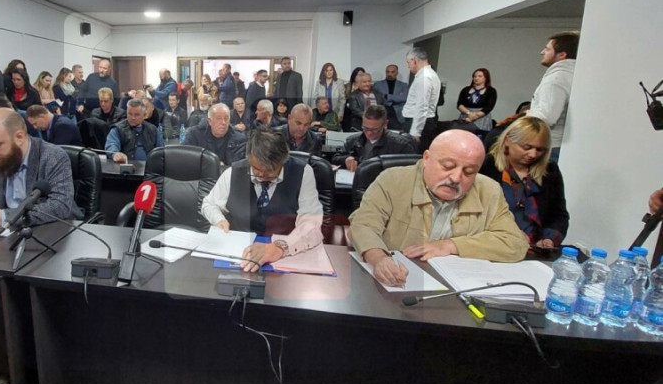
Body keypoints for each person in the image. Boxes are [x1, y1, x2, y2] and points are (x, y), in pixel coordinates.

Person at [350, 130, 529, 287]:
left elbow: (515, 243)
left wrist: (450, 246)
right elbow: (363, 225)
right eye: (448, 166)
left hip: (457, 290)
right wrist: (379, 258)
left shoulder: (489, 191)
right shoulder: (393, 180)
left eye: (469, 172)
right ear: (426, 158)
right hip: (398, 285)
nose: (456, 178)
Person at [201, 128, 323, 271]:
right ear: (249, 158)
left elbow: (311, 224)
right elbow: (209, 204)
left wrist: (280, 247)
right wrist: (219, 220)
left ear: (283, 161)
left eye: (270, 170)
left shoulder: (302, 173)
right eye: (256, 169)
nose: (262, 175)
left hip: (285, 255)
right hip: (240, 254)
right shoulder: (233, 172)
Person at [0, 108, 79, 228]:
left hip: (48, 229)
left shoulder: (53, 156)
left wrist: (3, 217)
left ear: (19, 137)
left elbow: (59, 206)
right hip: (5, 233)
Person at [479, 116, 569, 249]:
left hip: (535, 248)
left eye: (540, 150)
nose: (533, 154)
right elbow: (475, 214)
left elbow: (558, 214)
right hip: (494, 244)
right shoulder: (486, 166)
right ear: (507, 141)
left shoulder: (550, 171)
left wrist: (549, 238)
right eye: (527, 147)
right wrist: (510, 232)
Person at [528, 31, 579, 161]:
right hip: (565, 145)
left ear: (562, 55)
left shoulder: (556, 79)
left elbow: (547, 117)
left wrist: (529, 114)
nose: (542, 52)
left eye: (547, 49)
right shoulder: (574, 75)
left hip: (553, 146)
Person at [332, 105, 416, 171]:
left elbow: (411, 168)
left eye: (374, 130)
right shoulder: (353, 140)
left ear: (385, 124)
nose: (369, 133)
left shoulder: (401, 145)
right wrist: (346, 159)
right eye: (365, 128)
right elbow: (336, 157)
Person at [402, 47, 440, 151]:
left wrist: (415, 132)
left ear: (414, 60)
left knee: (414, 154)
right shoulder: (430, 74)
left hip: (419, 123)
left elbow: (422, 106)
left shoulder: (424, 77)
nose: (408, 66)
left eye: (408, 62)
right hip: (424, 121)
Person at [105, 98, 164, 164]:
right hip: (126, 168)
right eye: (130, 114)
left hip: (150, 168)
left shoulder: (153, 129)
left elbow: (161, 150)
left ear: (144, 115)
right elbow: (111, 144)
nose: (132, 117)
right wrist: (115, 154)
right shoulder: (117, 129)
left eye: (136, 115)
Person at [455, 67, 497, 133]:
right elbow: (459, 104)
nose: (476, 78)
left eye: (480, 76)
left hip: (482, 117)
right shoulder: (465, 89)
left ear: (486, 78)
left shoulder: (491, 91)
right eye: (475, 76)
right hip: (466, 115)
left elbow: (489, 107)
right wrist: (469, 113)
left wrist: (474, 116)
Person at [373, 64, 409, 131]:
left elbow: (404, 98)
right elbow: (376, 99)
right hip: (382, 111)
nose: (389, 74)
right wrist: (397, 97)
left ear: (397, 73)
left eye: (392, 72)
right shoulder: (377, 85)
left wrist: (387, 96)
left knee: (397, 133)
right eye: (387, 72)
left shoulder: (403, 85)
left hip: (397, 113)